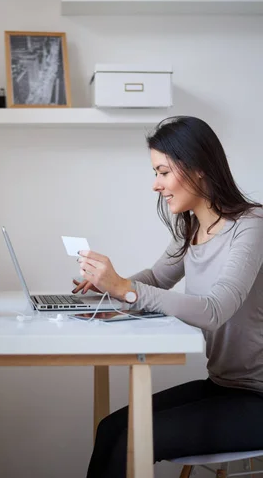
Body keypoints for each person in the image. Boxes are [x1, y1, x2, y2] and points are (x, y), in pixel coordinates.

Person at [72, 116, 263, 478]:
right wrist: (107, 283)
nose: (155, 185)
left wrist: (124, 288)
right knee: (110, 429)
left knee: (135, 439)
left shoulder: (251, 225)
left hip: (256, 397)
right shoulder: (191, 226)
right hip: (223, 385)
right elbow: (158, 278)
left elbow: (214, 310)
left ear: (198, 168)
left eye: (162, 172)